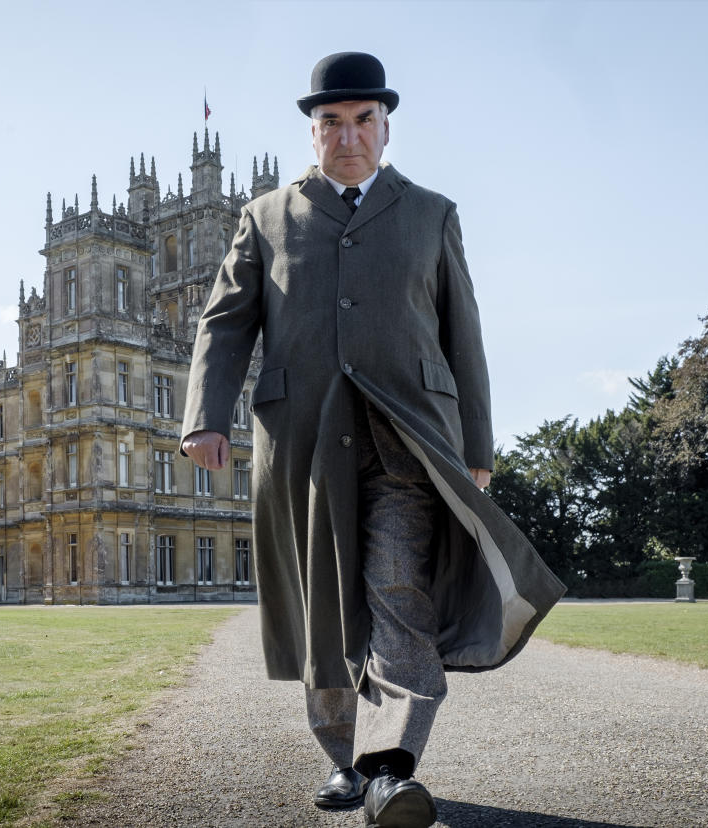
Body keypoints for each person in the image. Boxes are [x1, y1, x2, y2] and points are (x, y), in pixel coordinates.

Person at [180, 52, 565, 828]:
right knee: (322, 602)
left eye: (363, 120)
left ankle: (389, 766)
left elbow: (465, 334)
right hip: (303, 434)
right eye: (331, 122)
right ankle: (341, 757)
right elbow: (224, 323)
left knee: (399, 594)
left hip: (411, 435)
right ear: (312, 132)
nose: (347, 135)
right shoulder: (264, 215)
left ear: (386, 129)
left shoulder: (432, 213)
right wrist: (204, 415)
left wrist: (478, 445)